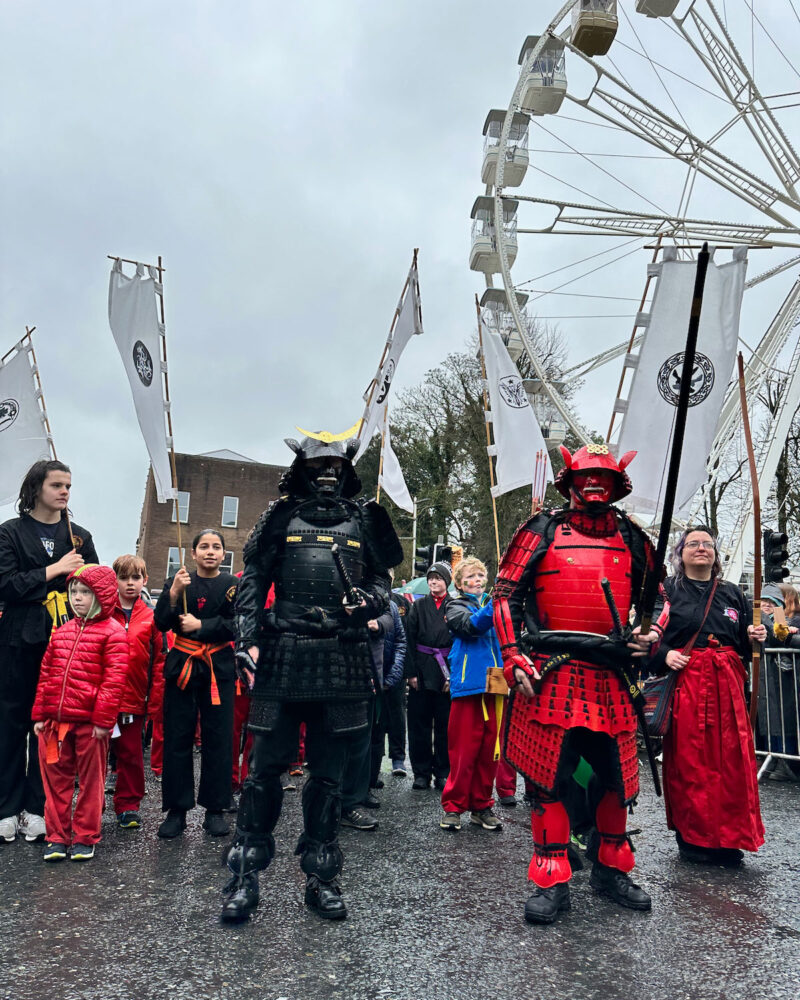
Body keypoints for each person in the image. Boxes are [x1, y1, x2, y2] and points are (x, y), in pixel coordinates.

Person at [219, 434, 401, 923]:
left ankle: (322, 876)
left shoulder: (366, 519)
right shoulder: (279, 516)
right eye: (318, 465)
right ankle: (243, 877)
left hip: (342, 654)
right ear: (301, 468)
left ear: (347, 472)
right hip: (283, 652)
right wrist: (246, 640)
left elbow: (383, 579)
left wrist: (372, 601)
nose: (328, 474)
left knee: (328, 775)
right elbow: (253, 580)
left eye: (336, 467)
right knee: (263, 773)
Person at [493, 443, 656, 924]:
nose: (594, 485)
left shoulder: (632, 535)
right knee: (551, 781)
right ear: (569, 481)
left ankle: (610, 870)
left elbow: (659, 595)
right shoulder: (541, 528)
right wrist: (512, 655)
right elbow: (505, 595)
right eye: (586, 476)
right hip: (552, 667)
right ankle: (551, 877)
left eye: (604, 478)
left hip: (611, 671)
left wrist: (653, 633)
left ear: (616, 484)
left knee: (615, 781)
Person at [650, 525, 766, 865]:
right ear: (680, 552)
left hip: (727, 689)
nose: (702, 548)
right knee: (691, 762)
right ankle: (696, 838)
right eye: (694, 544)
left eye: (708, 544)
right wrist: (664, 655)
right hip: (687, 684)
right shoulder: (667, 591)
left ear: (716, 554)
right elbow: (646, 634)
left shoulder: (732, 593)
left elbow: (747, 646)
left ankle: (731, 837)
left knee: (732, 764)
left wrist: (755, 637)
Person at [0, 460, 98, 845]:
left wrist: (81, 576)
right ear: (37, 487)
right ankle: (6, 808)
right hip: (16, 640)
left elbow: (94, 587)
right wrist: (54, 570)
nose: (64, 492)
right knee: (11, 724)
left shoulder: (79, 536)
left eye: (69, 486)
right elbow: (6, 585)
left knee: (51, 728)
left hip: (64, 642)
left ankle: (37, 809)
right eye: (57, 484)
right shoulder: (9, 533)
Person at [31, 564, 128, 861]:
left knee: (91, 782)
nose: (77, 598)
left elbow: (114, 681)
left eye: (85, 592)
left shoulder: (113, 633)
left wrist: (102, 721)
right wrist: (39, 715)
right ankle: (57, 836)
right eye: (74, 591)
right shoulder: (61, 631)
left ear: (102, 594)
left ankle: (85, 835)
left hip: (89, 725)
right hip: (55, 723)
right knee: (56, 780)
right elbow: (46, 675)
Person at [154, 529, 238, 839]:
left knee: (218, 738)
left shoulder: (232, 586)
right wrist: (173, 593)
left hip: (218, 666)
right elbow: (161, 622)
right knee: (178, 736)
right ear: (193, 553)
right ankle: (177, 811)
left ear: (224, 553)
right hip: (183, 665)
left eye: (217, 547)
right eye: (204, 546)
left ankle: (215, 810)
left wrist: (203, 625)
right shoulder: (180, 580)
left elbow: (238, 624)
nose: (210, 551)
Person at [439, 556, 505, 833]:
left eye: (480, 575)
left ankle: (481, 805)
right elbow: (470, 626)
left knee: (491, 751)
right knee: (464, 750)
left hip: (497, 680)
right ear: (460, 583)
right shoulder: (455, 605)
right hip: (469, 682)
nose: (477, 580)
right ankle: (454, 807)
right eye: (471, 577)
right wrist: (495, 604)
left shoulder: (496, 602)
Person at [110, 554, 165, 828]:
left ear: (144, 580)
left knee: (131, 754)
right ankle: (90, 805)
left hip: (135, 699)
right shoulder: (103, 612)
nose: (130, 583)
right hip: (103, 699)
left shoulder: (151, 617)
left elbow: (159, 661)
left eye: (135, 578)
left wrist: (154, 699)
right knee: (93, 756)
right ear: (115, 580)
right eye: (123, 578)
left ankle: (128, 804)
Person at [404, 562, 453, 791]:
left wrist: (453, 677)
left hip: (446, 673)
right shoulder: (418, 606)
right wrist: (411, 673)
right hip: (422, 671)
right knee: (418, 726)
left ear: (447, 582)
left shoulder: (455, 606)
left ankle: (443, 772)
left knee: (445, 727)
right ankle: (421, 773)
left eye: (438, 578)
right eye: (431, 578)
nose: (434, 582)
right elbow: (409, 640)